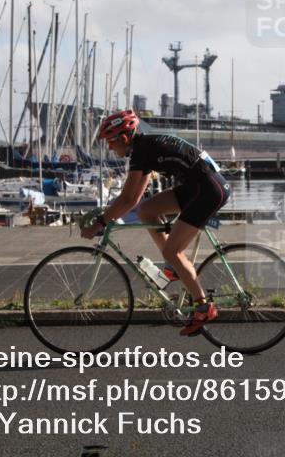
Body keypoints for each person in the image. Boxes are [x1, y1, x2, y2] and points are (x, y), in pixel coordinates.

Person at [80, 109, 231, 336]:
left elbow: (128, 199)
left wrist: (100, 222)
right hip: (198, 186)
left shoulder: (142, 151)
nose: (109, 148)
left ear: (122, 138)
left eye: (110, 143)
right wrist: (109, 215)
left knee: (172, 251)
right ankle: (174, 268)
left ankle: (203, 307)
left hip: (208, 191)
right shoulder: (144, 147)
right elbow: (135, 201)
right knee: (147, 211)